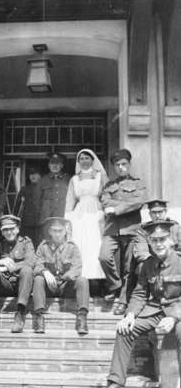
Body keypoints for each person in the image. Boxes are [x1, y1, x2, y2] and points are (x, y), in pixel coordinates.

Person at [106, 220, 181, 388]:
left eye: (162, 239)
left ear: (171, 240)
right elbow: (140, 293)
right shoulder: (147, 264)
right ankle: (116, 381)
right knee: (124, 330)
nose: (159, 244)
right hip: (155, 311)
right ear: (149, 242)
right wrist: (130, 315)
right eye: (154, 240)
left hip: (177, 310)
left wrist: (175, 318)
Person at [99, 148, 146, 315]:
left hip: (132, 229)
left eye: (123, 164)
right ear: (114, 167)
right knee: (104, 256)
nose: (120, 167)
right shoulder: (109, 185)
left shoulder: (138, 183)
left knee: (129, 267)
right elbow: (105, 201)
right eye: (117, 165)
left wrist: (116, 209)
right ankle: (115, 285)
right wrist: (118, 205)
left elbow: (138, 202)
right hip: (112, 229)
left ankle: (123, 301)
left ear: (129, 164)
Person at [33, 217, 90, 335]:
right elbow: (36, 263)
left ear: (65, 231)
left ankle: (82, 318)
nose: (57, 234)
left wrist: (63, 278)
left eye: (60, 231)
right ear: (50, 231)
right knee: (38, 279)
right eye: (54, 231)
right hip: (48, 287)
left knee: (82, 280)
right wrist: (45, 271)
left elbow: (77, 268)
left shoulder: (72, 247)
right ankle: (39, 316)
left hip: (65, 286)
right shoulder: (43, 246)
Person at [0, 215, 35, 333]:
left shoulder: (26, 242)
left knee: (27, 270)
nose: (9, 232)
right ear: (1, 231)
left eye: (11, 228)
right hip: (5, 284)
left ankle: (20, 313)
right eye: (5, 230)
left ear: (17, 229)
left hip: (21, 285)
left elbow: (31, 261)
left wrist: (8, 268)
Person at [64, 148, 108, 280]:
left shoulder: (101, 176)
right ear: (78, 161)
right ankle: (81, 276)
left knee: (95, 243)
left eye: (87, 158)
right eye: (81, 159)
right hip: (80, 214)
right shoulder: (75, 179)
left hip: (96, 211)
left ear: (92, 160)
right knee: (80, 242)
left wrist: (104, 212)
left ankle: (98, 279)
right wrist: (68, 217)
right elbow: (70, 199)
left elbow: (107, 194)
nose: (84, 161)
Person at [35, 152, 70, 244]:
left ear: (62, 165)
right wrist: (42, 215)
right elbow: (36, 201)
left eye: (57, 163)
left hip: (63, 217)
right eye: (52, 163)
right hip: (46, 218)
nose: (55, 166)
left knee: (63, 242)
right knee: (46, 242)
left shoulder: (68, 180)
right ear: (49, 165)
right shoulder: (42, 181)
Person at [13, 167, 41, 247]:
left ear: (40, 176)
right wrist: (15, 220)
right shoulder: (24, 189)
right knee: (27, 244)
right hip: (27, 223)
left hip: (40, 223)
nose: (33, 176)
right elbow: (17, 207)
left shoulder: (44, 189)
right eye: (31, 174)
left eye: (35, 174)